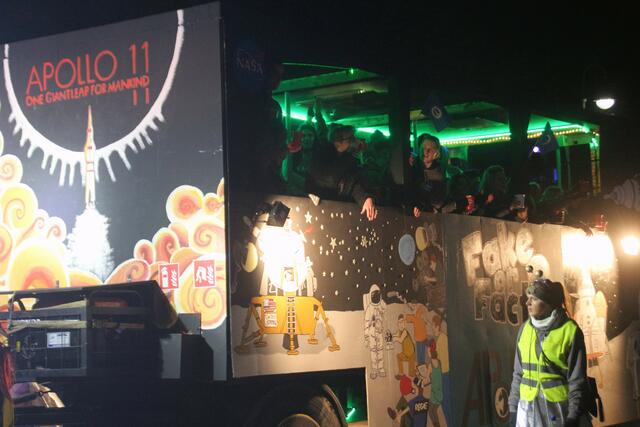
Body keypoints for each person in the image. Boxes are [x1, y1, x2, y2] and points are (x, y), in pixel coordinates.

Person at [508, 279, 591, 427]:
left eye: (534, 299)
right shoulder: (524, 329)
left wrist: (573, 416)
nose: (527, 303)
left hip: (557, 410)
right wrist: (513, 409)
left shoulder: (570, 331)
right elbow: (518, 374)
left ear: (548, 303)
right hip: (526, 410)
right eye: (528, 298)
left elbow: (577, 380)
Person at [307, 125, 377, 221]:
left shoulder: (348, 159)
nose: (355, 142)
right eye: (350, 139)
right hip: (318, 209)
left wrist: (365, 199)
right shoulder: (321, 157)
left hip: (337, 208)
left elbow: (353, 183)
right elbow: (334, 179)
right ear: (337, 142)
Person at [408, 134, 446, 217]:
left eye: (429, 149)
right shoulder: (410, 168)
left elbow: (438, 202)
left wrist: (424, 206)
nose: (425, 151)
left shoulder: (438, 175)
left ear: (436, 154)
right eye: (423, 148)